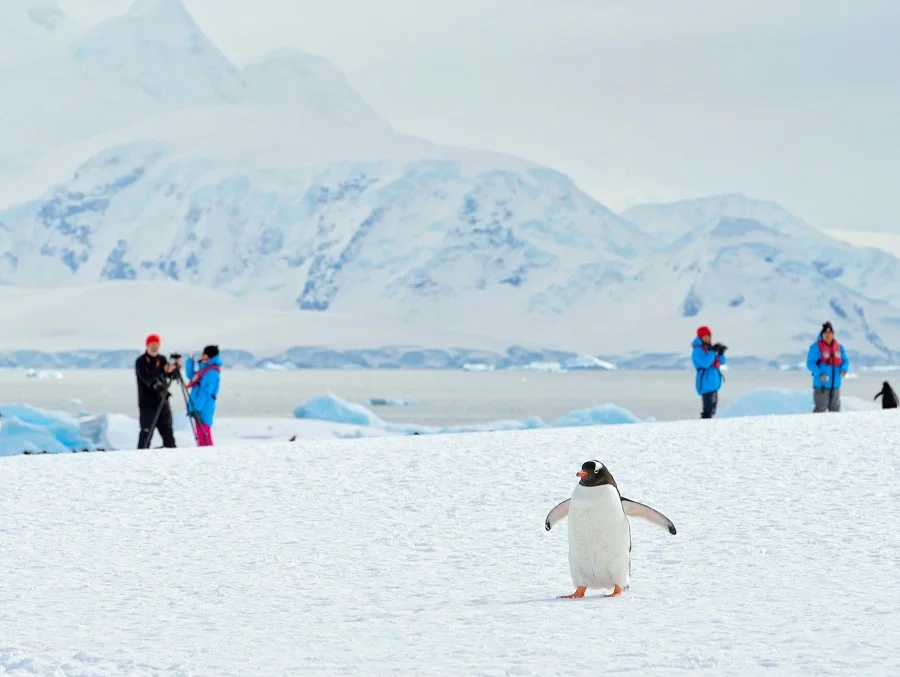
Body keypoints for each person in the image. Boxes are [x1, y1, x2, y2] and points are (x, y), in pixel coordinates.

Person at [135, 333, 180, 449]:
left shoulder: (162, 359)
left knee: (169, 436)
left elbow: (173, 377)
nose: (154, 347)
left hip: (163, 402)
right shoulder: (141, 361)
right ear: (147, 345)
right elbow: (147, 377)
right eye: (152, 344)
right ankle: (139, 460)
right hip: (147, 405)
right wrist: (162, 369)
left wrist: (176, 368)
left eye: (157, 344)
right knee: (146, 436)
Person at [806, 321, 849, 413]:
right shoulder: (816, 347)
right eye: (826, 333)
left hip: (835, 386)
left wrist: (844, 369)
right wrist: (820, 374)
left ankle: (834, 428)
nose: (828, 335)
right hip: (821, 386)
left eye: (830, 333)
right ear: (822, 334)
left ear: (833, 334)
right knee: (820, 409)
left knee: (835, 411)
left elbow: (845, 361)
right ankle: (816, 427)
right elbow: (810, 364)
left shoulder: (839, 347)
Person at [186, 345, 222, 447]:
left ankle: (208, 452)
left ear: (209, 356)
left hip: (205, 406)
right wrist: (190, 361)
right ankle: (204, 452)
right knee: (200, 431)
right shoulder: (205, 369)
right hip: (200, 405)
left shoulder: (211, 372)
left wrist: (196, 408)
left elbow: (205, 393)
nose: (202, 356)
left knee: (204, 430)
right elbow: (192, 376)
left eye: (205, 354)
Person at [691, 326, 727, 419]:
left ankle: (709, 429)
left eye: (709, 336)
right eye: (705, 336)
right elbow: (705, 363)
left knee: (712, 411)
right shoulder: (697, 351)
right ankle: (703, 429)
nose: (708, 338)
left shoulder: (708, 349)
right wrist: (713, 351)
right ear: (700, 337)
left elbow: (721, 362)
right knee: (707, 412)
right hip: (706, 384)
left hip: (714, 383)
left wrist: (721, 353)